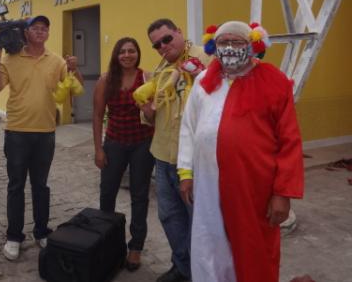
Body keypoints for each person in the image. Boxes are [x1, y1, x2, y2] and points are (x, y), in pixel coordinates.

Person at [178, 21, 304, 282]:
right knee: (209, 241)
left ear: (253, 45)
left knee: (253, 245)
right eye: (224, 42)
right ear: (215, 45)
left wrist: (283, 193)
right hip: (207, 183)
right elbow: (188, 128)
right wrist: (186, 172)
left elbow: (290, 141)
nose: (229, 48)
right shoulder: (204, 80)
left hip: (254, 186)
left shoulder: (275, 81)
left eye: (237, 42)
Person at [0, 14, 82, 261]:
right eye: (35, 28)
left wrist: (74, 68)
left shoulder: (56, 61)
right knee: (16, 186)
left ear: (48, 34)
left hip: (45, 133)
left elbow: (75, 87)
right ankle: (14, 237)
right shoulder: (11, 58)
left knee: (41, 185)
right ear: (26, 33)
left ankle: (41, 231)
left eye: (44, 28)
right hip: (17, 131)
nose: (40, 31)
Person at [142, 18, 212, 282]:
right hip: (162, 154)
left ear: (179, 32)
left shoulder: (206, 59)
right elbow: (151, 115)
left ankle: (202, 273)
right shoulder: (160, 70)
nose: (162, 47)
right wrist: (147, 112)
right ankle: (183, 268)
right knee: (169, 216)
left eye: (167, 39)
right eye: (156, 45)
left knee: (198, 220)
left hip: (194, 161)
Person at [92, 37, 155, 272]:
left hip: (143, 143)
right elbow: (98, 116)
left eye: (131, 51)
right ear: (116, 55)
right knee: (107, 193)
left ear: (137, 54)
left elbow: (155, 115)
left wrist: (149, 110)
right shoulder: (105, 80)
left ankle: (136, 248)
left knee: (139, 196)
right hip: (115, 142)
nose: (127, 55)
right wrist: (98, 149)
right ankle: (107, 240)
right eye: (122, 51)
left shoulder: (147, 77)